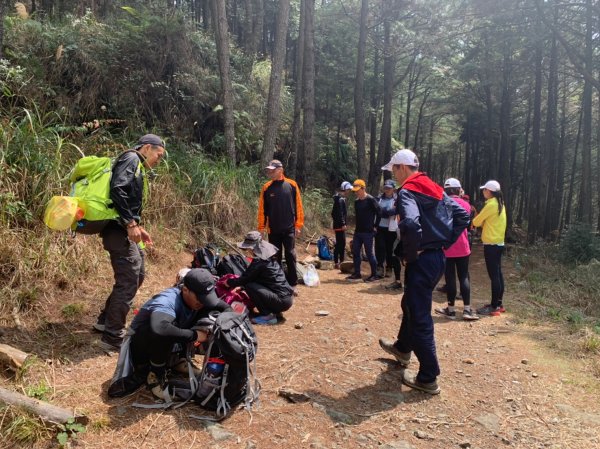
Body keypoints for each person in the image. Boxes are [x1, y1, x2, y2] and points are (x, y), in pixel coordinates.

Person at [378, 149, 469, 395]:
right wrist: (444, 243)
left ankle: (428, 377)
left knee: (420, 316)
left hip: (423, 259)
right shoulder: (434, 188)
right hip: (436, 257)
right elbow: (462, 215)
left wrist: (411, 254)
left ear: (402, 168)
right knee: (409, 303)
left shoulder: (408, 190)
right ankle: (403, 348)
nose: (393, 175)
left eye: (394, 169)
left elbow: (410, 223)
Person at [107, 268, 231, 399]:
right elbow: (159, 328)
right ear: (185, 290)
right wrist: (195, 335)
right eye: (200, 298)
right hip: (141, 347)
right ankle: (155, 374)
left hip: (168, 344)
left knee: (210, 314)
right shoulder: (168, 300)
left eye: (206, 298)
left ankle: (176, 360)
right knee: (163, 330)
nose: (203, 301)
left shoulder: (199, 299)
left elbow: (224, 307)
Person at [94, 134, 166, 355]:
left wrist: (138, 227)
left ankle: (106, 320)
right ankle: (112, 337)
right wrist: (130, 223)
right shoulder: (131, 159)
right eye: (158, 154)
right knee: (128, 279)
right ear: (147, 148)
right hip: (117, 231)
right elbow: (118, 188)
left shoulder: (135, 164)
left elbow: (125, 197)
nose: (158, 160)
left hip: (122, 229)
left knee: (139, 273)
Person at [224, 231, 294, 325]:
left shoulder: (259, 261)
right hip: (286, 299)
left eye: (248, 248)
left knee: (249, 286)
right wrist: (241, 287)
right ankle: (274, 312)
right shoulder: (268, 257)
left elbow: (245, 279)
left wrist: (228, 282)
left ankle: (268, 316)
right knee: (248, 285)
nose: (247, 250)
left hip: (281, 300)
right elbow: (260, 279)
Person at [434, 178, 479, 321]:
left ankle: (451, 310)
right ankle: (466, 309)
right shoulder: (466, 204)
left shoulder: (441, 204)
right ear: (458, 189)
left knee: (450, 277)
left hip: (447, 246)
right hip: (463, 246)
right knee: (463, 276)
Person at [257, 160, 304, 293]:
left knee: (290, 254)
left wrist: (298, 225)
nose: (270, 172)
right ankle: (279, 283)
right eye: (269, 170)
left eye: (273, 170)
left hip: (289, 228)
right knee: (275, 256)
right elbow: (262, 209)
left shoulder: (292, 185)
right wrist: (261, 227)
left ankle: (293, 283)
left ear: (280, 170)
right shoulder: (266, 187)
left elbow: (298, 206)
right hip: (273, 229)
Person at [473, 180, 507, 316]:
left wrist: (477, 218)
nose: (483, 192)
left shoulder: (491, 205)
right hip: (498, 243)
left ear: (490, 192)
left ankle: (494, 307)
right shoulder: (500, 203)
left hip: (491, 245)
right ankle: (498, 303)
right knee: (498, 274)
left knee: (494, 276)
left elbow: (476, 221)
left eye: (485, 190)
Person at [346, 179, 381, 283]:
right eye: (355, 190)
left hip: (368, 232)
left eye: (357, 190)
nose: (356, 192)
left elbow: (379, 212)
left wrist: (375, 226)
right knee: (355, 251)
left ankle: (374, 275)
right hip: (358, 232)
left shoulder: (371, 199)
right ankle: (357, 273)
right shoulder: (356, 202)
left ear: (363, 188)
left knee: (369, 254)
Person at [375, 179, 402, 289]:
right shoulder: (379, 198)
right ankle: (380, 267)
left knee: (390, 249)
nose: (387, 190)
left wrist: (385, 211)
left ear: (393, 189)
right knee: (379, 247)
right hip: (380, 226)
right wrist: (386, 211)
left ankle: (389, 267)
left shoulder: (397, 199)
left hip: (392, 228)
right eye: (385, 188)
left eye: (389, 188)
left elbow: (394, 211)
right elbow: (377, 210)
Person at [331, 181, 353, 269]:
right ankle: (339, 262)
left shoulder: (338, 199)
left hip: (338, 225)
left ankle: (339, 261)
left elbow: (333, 213)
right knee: (341, 243)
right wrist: (343, 223)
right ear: (345, 189)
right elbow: (340, 213)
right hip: (340, 226)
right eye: (348, 189)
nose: (349, 191)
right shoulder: (340, 199)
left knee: (340, 243)